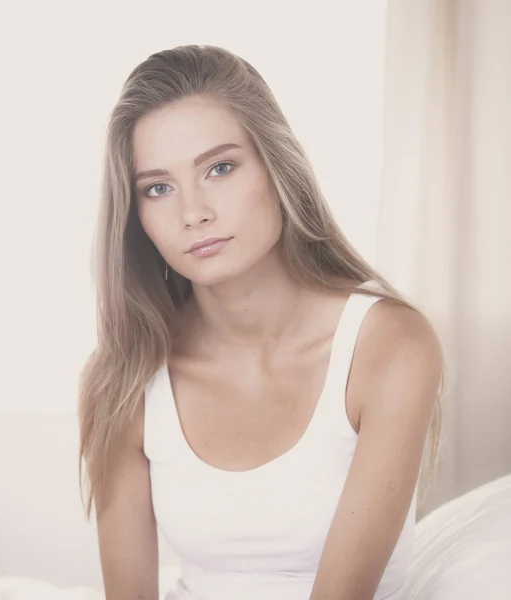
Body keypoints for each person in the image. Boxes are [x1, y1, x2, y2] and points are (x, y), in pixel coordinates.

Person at [78, 44, 445, 600]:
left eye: (219, 168)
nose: (193, 211)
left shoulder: (389, 347)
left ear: (276, 167)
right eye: (158, 187)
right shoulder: (124, 376)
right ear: (137, 218)